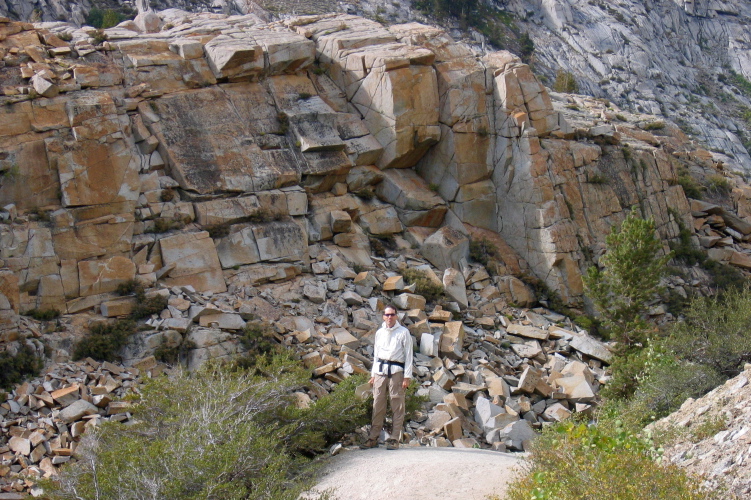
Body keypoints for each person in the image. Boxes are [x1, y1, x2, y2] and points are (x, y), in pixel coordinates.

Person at [361, 305, 414, 450]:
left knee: (397, 404)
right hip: (380, 371)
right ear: (383, 316)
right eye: (387, 315)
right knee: (378, 404)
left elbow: (409, 355)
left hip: (396, 371)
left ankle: (394, 438)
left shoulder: (403, 333)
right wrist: (373, 374)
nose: (389, 317)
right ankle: (373, 437)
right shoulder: (379, 332)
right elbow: (376, 355)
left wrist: (407, 377)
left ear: (396, 316)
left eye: (392, 315)